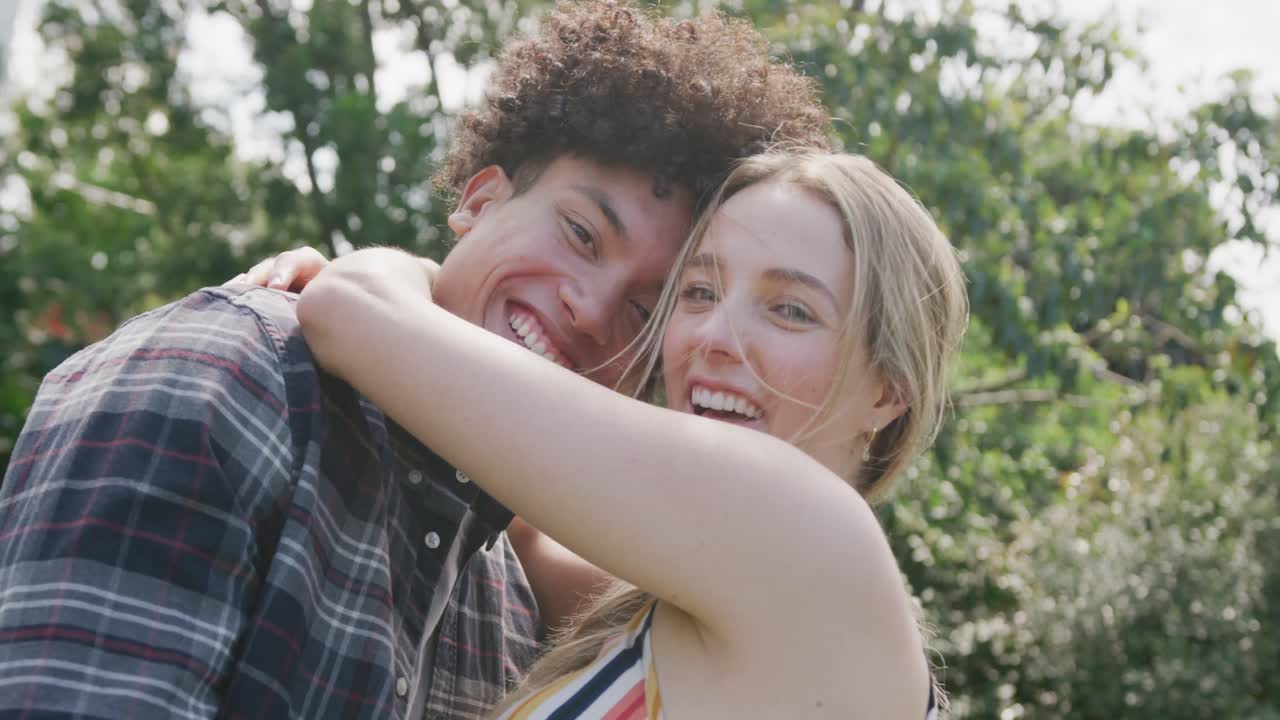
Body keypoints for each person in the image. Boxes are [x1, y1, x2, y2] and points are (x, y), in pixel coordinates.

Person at [0, 3, 829, 718]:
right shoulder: (233, 383)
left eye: (645, 310)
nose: (591, 307)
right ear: (478, 199)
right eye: (581, 233)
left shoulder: (507, 596)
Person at [262, 149, 968, 718]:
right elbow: (519, 531)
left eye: (790, 309)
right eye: (699, 292)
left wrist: (411, 279)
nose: (715, 336)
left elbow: (350, 309)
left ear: (889, 392)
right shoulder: (679, 598)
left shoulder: (814, 543)